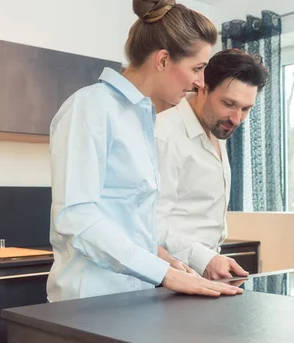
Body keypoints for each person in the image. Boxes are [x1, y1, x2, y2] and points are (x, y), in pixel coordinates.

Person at [47, 0, 242, 301]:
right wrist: (164, 273)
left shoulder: (143, 118)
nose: (200, 82)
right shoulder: (90, 107)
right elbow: (78, 218)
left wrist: (164, 259)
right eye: (197, 68)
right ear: (163, 60)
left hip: (133, 299)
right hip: (88, 303)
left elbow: (128, 223)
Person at [155, 48, 269, 280]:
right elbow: (150, 222)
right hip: (168, 278)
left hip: (203, 274)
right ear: (203, 87)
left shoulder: (217, 127)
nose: (237, 119)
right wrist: (204, 258)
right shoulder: (164, 134)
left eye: (246, 109)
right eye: (229, 103)